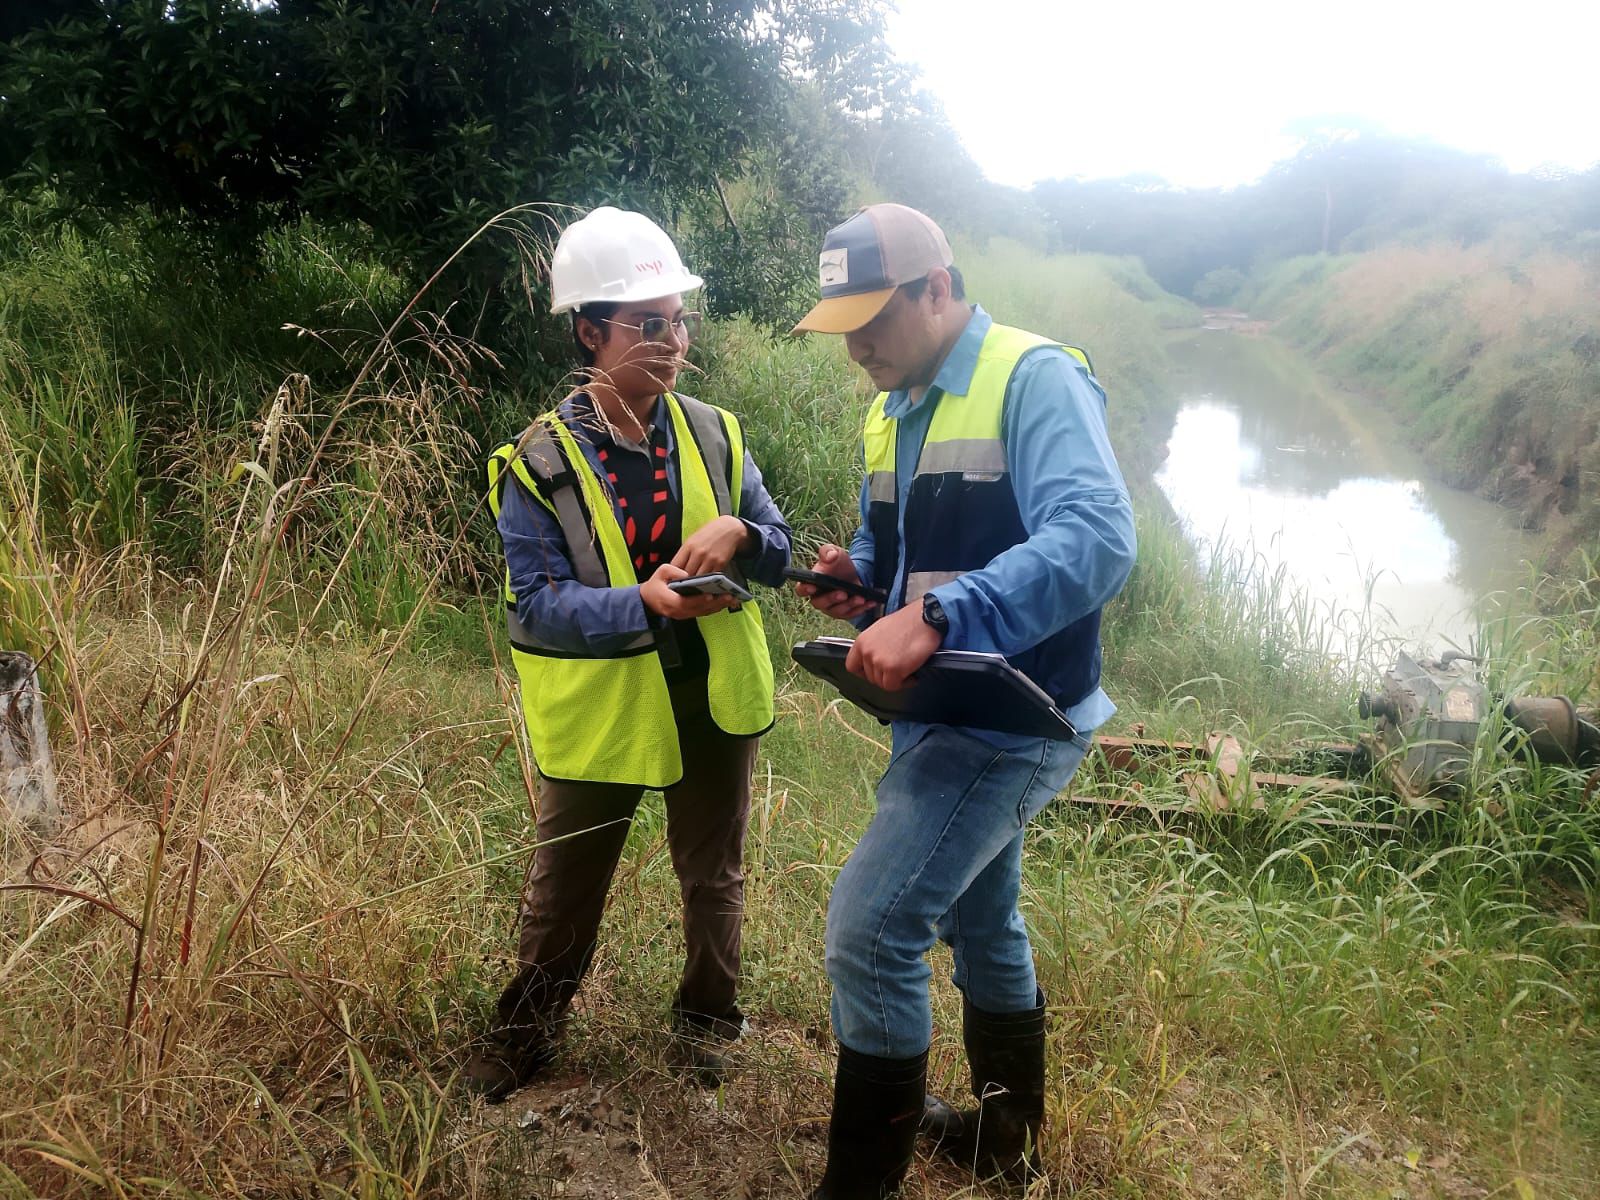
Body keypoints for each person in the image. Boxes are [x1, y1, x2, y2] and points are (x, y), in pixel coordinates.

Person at [790, 203, 1136, 1196]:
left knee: (871, 929)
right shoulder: (890, 400)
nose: (855, 345)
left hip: (1011, 713)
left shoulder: (1034, 377)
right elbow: (893, 556)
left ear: (935, 289)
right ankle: (1002, 1141)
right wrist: (857, 581)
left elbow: (1098, 540)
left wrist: (939, 618)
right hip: (936, 709)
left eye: (872, 319)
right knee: (981, 919)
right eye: (841, 326)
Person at [462, 206, 792, 1101]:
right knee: (565, 885)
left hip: (714, 693)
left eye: (680, 320)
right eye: (651, 324)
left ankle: (709, 1021)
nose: (674, 340)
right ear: (589, 330)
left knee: (713, 874)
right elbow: (534, 608)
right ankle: (524, 1033)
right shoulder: (535, 462)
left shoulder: (718, 434)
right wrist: (638, 606)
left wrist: (742, 535)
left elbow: (781, 544)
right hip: (608, 704)